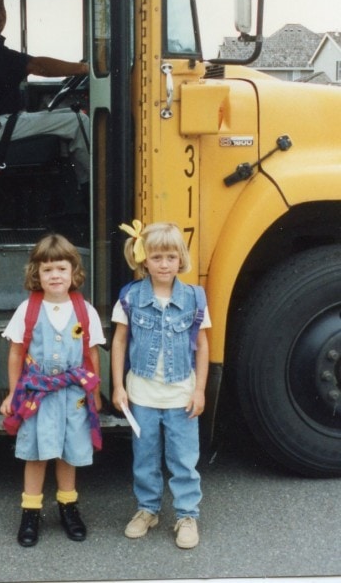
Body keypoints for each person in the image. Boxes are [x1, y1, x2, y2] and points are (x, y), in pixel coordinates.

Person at [111, 220, 210, 550]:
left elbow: (203, 345)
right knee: (145, 456)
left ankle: (186, 514)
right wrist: (118, 387)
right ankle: (148, 509)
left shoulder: (194, 298)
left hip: (182, 394)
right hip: (141, 394)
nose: (164, 264)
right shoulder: (130, 297)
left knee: (183, 459)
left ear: (180, 258)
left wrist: (200, 391)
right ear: (143, 260)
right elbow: (120, 342)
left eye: (170, 256)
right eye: (156, 258)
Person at [0, 234, 104, 547]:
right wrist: (12, 393)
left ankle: (68, 507)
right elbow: (17, 353)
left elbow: (92, 354)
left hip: (74, 395)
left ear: (74, 272)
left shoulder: (85, 311)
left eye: (61, 268)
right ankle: (30, 511)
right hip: (37, 395)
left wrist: (96, 393)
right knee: (36, 452)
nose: (55, 275)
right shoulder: (27, 310)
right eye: (47, 270)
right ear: (37, 274)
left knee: (69, 450)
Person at [0, 0, 90, 190]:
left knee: (68, 117)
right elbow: (38, 66)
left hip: (0, 124)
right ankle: (95, 193)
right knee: (78, 120)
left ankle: (67, 191)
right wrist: (84, 68)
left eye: (0, 7)